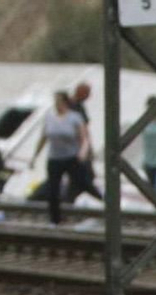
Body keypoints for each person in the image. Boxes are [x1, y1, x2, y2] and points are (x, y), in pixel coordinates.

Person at [32, 92, 89, 227]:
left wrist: (83, 152)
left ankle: (106, 203)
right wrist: (35, 156)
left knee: (83, 182)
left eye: (58, 100)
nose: (56, 103)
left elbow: (84, 138)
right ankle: (55, 219)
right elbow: (43, 138)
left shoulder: (74, 117)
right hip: (55, 158)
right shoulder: (49, 117)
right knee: (53, 188)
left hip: (71, 157)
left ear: (64, 102)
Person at [64, 82, 103, 206]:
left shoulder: (78, 106)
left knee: (81, 176)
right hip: (76, 148)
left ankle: (69, 200)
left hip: (79, 147)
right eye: (87, 93)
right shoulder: (72, 107)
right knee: (85, 175)